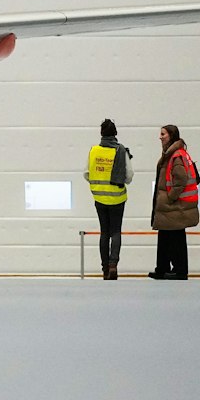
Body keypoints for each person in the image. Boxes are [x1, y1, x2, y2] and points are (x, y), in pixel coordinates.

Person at [149, 123, 199, 280]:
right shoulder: (171, 153)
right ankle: (162, 268)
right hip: (170, 206)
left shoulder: (175, 155)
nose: (160, 137)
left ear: (171, 136)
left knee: (176, 237)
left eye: (163, 134)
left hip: (174, 206)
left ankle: (179, 270)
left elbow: (180, 179)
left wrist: (171, 197)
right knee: (165, 236)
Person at [86, 118, 132, 280]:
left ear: (101, 133)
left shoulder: (93, 151)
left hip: (99, 198)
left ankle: (105, 268)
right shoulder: (121, 151)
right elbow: (129, 177)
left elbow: (86, 173)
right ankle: (114, 265)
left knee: (104, 233)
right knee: (116, 232)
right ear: (115, 133)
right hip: (118, 199)